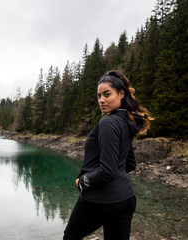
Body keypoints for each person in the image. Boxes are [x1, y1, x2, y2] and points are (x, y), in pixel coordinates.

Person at [63, 70, 153, 240]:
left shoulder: (108, 123)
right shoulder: (127, 121)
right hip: (126, 198)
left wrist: (81, 182)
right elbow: (130, 164)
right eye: (99, 96)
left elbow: (107, 171)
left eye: (107, 94)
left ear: (121, 93)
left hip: (99, 200)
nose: (101, 100)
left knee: (70, 236)